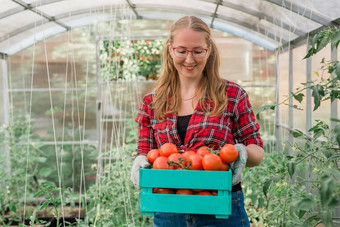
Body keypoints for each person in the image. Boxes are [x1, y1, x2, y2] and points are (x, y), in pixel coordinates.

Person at [130, 15, 264, 227]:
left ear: (208, 50)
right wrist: (140, 162)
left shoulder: (232, 94)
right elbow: (146, 153)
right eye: (182, 51)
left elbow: (257, 149)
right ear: (170, 49)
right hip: (168, 211)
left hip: (221, 211)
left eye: (197, 51)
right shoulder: (152, 102)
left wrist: (242, 153)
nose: (189, 60)